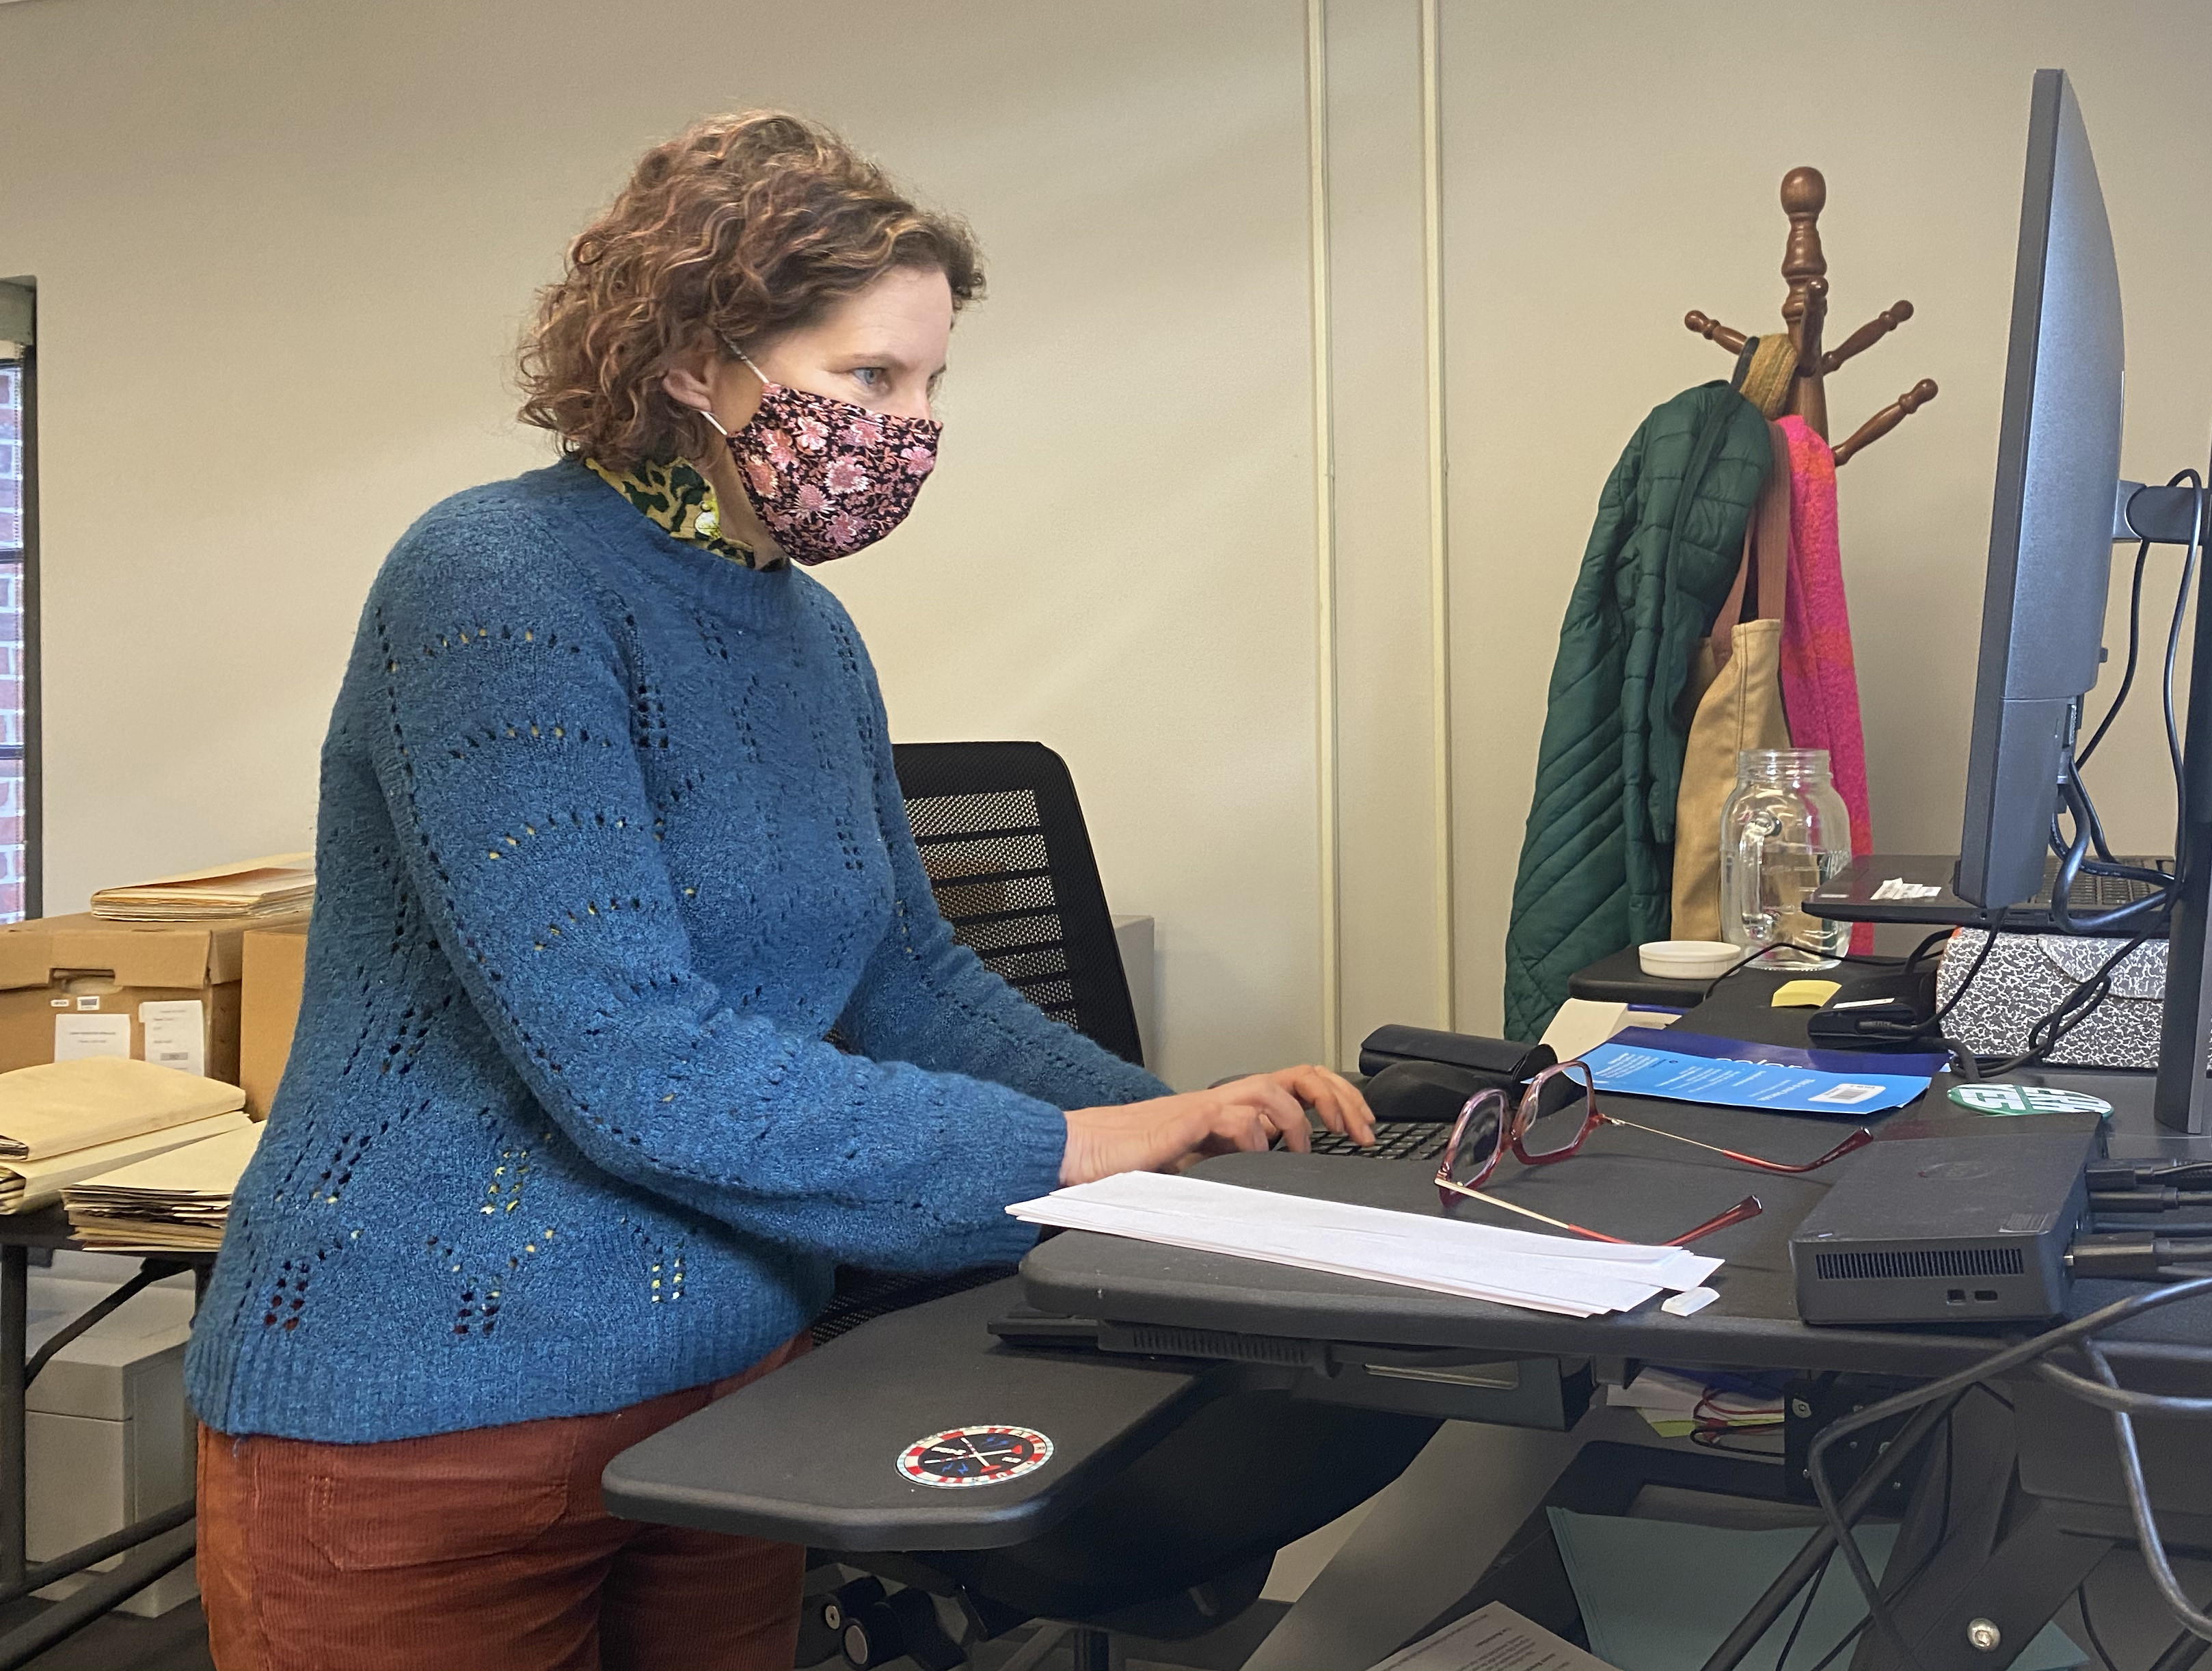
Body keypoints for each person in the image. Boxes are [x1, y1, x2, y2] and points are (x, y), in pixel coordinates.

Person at [184, 112, 1372, 1671]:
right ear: (696, 359)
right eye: (872, 379)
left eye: (934, 384)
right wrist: (1084, 1154)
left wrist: (1186, 1139)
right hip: (426, 1428)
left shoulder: (808, 635)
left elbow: (909, 979)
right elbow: (638, 1064)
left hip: (732, 1404)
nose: (914, 426)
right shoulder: (494, 578)